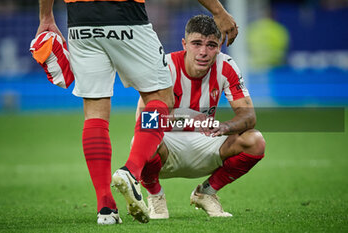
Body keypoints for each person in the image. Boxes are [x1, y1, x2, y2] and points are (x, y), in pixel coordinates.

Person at [36, 0, 238, 225]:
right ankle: (131, 172)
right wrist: (218, 12)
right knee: (161, 98)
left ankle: (106, 208)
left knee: (94, 112)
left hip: (80, 20)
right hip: (125, 14)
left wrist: (46, 16)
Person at [136, 15, 266, 219]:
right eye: (197, 44)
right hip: (167, 147)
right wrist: (187, 117)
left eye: (211, 45)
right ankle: (155, 196)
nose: (203, 52)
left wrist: (225, 127)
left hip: (207, 142)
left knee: (255, 140)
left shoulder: (227, 66)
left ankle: (206, 192)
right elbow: (144, 122)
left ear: (220, 46)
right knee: (141, 140)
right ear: (184, 44)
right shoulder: (164, 67)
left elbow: (248, 115)